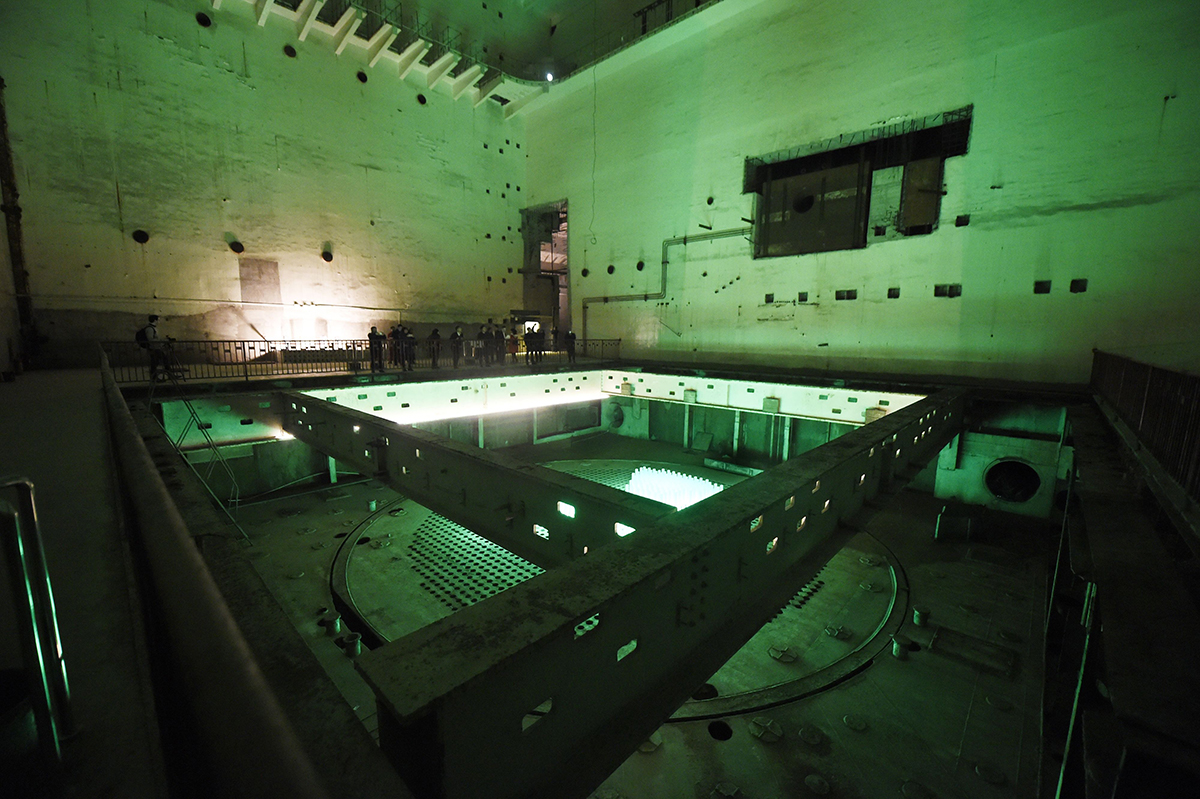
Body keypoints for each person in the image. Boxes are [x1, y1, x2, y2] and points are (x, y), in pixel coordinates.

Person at [137, 314, 170, 381]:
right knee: (161, 360)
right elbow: (151, 339)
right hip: (153, 348)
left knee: (156, 362)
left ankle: (155, 377)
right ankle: (163, 376)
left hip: (155, 348)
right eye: (158, 320)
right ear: (155, 320)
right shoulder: (150, 329)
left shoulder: (152, 328)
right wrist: (162, 340)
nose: (159, 321)